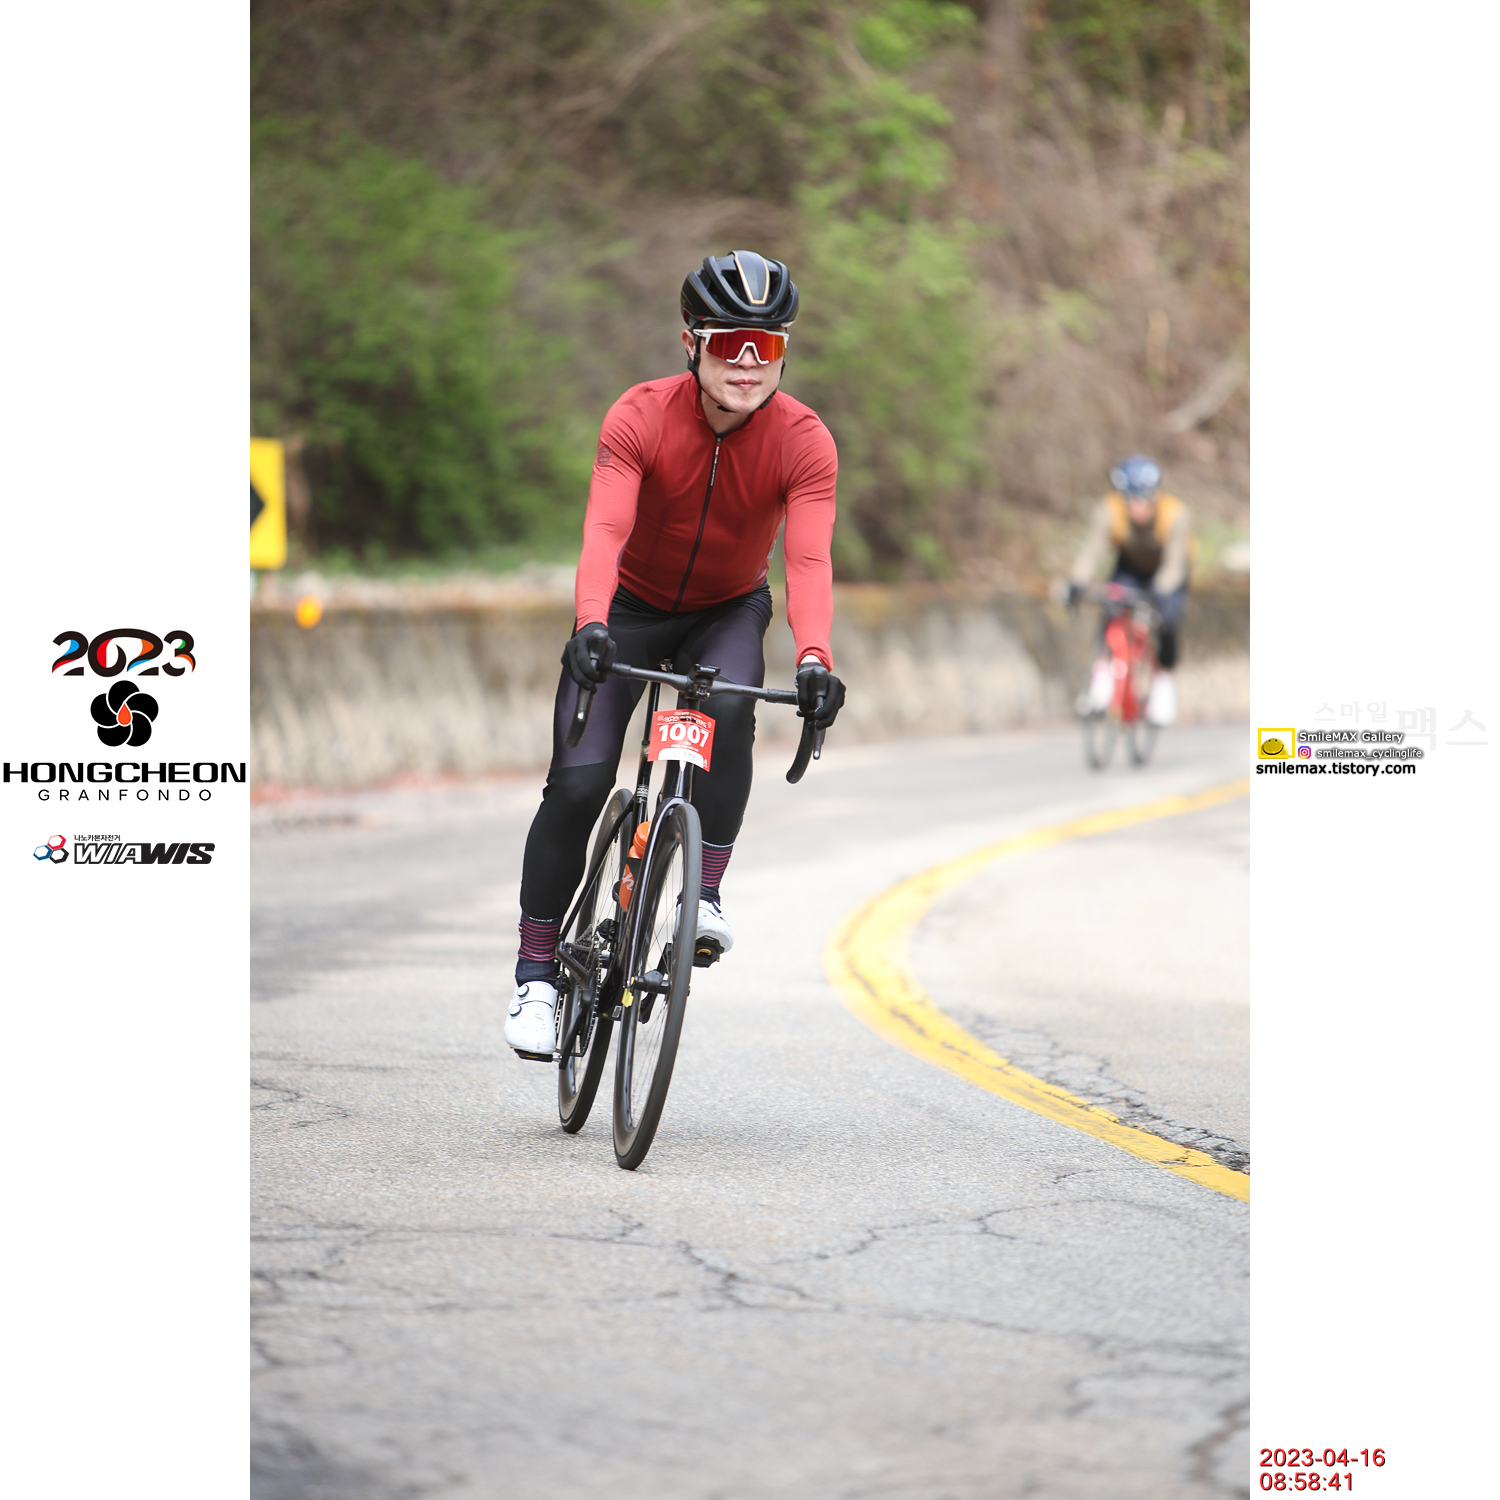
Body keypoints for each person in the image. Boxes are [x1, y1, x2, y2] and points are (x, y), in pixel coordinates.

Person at [505, 250, 847, 1059]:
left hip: (726, 612)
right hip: (626, 610)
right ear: (691, 342)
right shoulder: (639, 416)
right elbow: (605, 530)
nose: (748, 363)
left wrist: (815, 658)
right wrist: (591, 622)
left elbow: (807, 561)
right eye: (729, 343)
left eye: (766, 347)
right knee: (579, 783)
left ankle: (706, 894)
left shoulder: (805, 441)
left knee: (727, 708)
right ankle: (536, 976)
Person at [1066, 454, 1192, 726]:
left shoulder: (1175, 515)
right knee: (1111, 609)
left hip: (1167, 571)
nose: (1137, 505)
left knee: (1167, 620)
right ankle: (1100, 683)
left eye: (1144, 497)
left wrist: (1160, 591)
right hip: (1130, 567)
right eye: (1129, 498)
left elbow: (1175, 563)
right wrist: (1077, 581)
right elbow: (1092, 551)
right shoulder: (1108, 511)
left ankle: (1163, 685)